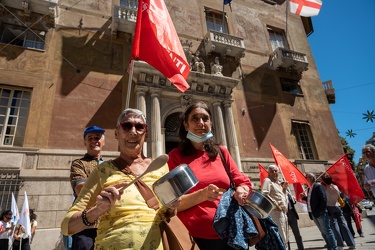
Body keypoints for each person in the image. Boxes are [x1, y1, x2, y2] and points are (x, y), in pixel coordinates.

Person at [61, 108, 180, 249]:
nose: (133, 131)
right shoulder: (102, 171)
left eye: (139, 127)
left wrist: (172, 207)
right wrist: (97, 210)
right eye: (127, 126)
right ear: (116, 133)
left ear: (146, 134)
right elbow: (67, 226)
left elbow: (167, 213)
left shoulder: (161, 167)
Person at [168, 101, 252, 250]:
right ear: (186, 125)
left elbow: (242, 181)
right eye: (194, 118)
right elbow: (172, 204)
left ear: (211, 124)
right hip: (195, 238)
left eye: (205, 118)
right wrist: (202, 195)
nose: (201, 123)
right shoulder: (175, 157)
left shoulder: (221, 152)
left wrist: (242, 190)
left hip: (231, 234)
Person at [70, 125, 105, 249]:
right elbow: (81, 189)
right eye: (90, 138)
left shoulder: (111, 165)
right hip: (85, 225)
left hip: (108, 225)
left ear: (103, 141)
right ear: (85, 142)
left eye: (97, 137)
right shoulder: (79, 164)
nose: (94, 140)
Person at [301, 173, 338, 250]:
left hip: (320, 213)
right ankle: (329, 245)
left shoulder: (318, 186)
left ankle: (334, 247)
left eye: (306, 177)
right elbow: (312, 199)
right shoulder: (309, 188)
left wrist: (320, 211)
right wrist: (304, 198)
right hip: (313, 213)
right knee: (322, 231)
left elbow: (323, 199)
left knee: (327, 231)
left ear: (311, 178)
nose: (305, 178)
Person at [321, 174, 356, 249]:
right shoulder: (335, 187)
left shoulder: (325, 187)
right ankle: (351, 243)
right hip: (337, 206)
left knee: (334, 226)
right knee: (343, 225)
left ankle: (340, 244)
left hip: (330, 207)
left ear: (324, 181)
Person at [261, 165, 289, 246]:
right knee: (281, 235)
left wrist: (284, 188)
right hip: (275, 212)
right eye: (272, 171)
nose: (274, 173)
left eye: (276, 171)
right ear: (268, 172)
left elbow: (282, 197)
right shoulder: (267, 180)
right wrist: (275, 205)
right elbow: (264, 194)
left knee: (285, 235)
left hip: (283, 211)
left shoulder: (278, 183)